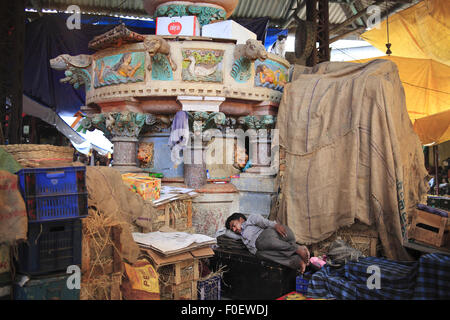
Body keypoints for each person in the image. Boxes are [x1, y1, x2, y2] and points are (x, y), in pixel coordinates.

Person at [224, 213, 310, 273]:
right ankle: (297, 261)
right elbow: (225, 233)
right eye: (232, 229)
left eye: (233, 225)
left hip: (270, 236)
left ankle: (297, 248)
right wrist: (229, 229)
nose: (234, 230)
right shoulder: (240, 236)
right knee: (261, 254)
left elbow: (263, 222)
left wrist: (275, 225)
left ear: (240, 219)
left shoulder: (250, 220)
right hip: (261, 248)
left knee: (260, 242)